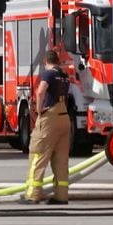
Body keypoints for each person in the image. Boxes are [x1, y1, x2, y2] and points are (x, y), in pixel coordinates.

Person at [22, 50, 71, 205]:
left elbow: (41, 91)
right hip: (64, 116)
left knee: (38, 155)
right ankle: (61, 196)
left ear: (45, 62)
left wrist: (38, 109)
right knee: (61, 160)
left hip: (50, 116)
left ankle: (32, 194)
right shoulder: (64, 76)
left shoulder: (48, 74)